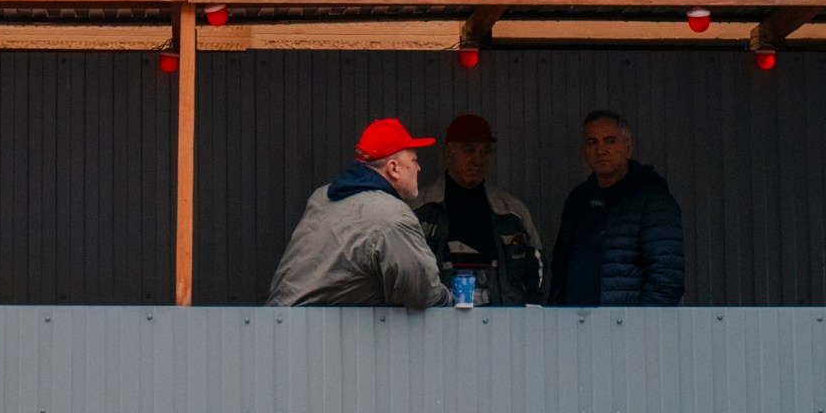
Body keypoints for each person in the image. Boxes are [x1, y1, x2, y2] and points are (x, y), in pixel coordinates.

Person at [268, 115, 448, 310]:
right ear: (393, 168)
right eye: (414, 160)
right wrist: (451, 299)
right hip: (317, 336)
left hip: (279, 329)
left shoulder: (322, 197)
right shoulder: (393, 217)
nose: (419, 168)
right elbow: (422, 294)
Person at [549, 108, 685, 305]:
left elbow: (667, 279)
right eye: (592, 142)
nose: (601, 150)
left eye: (610, 141)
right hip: (574, 327)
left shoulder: (652, 199)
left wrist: (639, 328)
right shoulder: (578, 200)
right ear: (584, 151)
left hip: (627, 330)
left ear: (628, 147)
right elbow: (560, 270)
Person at [414, 111, 545, 304]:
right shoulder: (420, 210)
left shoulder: (512, 211)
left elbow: (537, 269)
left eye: (485, 152)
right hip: (437, 322)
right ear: (447, 153)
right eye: (469, 150)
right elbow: (404, 273)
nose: (478, 160)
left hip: (504, 321)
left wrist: (529, 315)